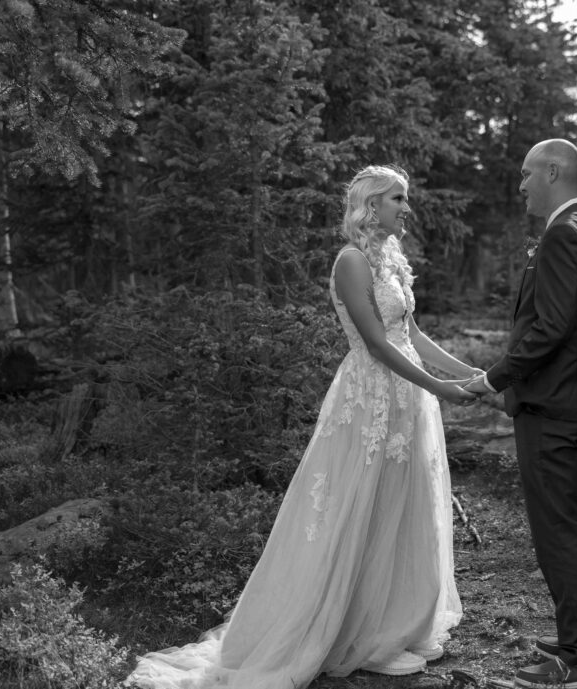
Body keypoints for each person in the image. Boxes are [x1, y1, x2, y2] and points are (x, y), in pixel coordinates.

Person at [127, 164, 480, 689]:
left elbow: (412, 335)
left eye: (406, 199)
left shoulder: (391, 256)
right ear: (370, 206)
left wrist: (466, 373)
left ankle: (388, 627)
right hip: (370, 401)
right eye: (398, 199)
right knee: (356, 509)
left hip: (409, 402)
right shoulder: (351, 262)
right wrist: (441, 388)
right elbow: (379, 347)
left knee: (401, 507)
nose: (407, 207)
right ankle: (348, 634)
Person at [464, 139, 577, 689]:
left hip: (554, 405)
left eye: (527, 174)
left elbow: (550, 329)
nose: (521, 184)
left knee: (559, 529)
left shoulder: (564, 234)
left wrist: (492, 378)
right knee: (567, 523)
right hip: (569, 402)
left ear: (554, 171)